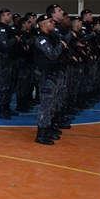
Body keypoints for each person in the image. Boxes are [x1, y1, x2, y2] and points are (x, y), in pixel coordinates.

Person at [32, 14, 67, 145]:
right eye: (50, 21)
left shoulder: (51, 38)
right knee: (46, 105)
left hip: (53, 73)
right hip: (45, 76)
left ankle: (49, 129)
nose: (53, 23)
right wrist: (61, 45)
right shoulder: (41, 39)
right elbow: (52, 54)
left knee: (52, 103)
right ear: (43, 25)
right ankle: (41, 134)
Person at [0, 9, 19, 119]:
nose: (10, 16)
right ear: (2, 16)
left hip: (11, 59)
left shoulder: (8, 28)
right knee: (3, 85)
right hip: (5, 59)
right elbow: (5, 44)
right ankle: (1, 109)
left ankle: (7, 107)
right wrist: (15, 39)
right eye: (8, 14)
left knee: (9, 85)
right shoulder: (1, 28)